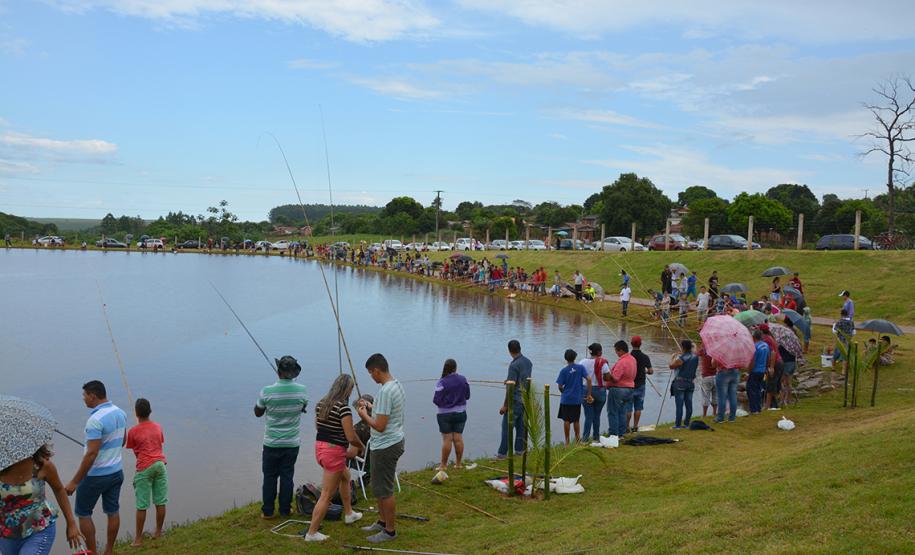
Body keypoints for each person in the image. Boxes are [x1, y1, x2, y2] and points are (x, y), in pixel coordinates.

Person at [64, 380, 127, 555]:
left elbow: (91, 454)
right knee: (113, 511)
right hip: (116, 472)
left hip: (95, 476)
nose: (83, 399)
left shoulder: (94, 420)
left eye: (84, 395)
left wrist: (74, 482)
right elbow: (122, 440)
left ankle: (92, 553)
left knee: (83, 513)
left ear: (93, 396)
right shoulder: (120, 413)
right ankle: (109, 550)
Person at [305, 375, 365, 542]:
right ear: (347, 390)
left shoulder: (321, 404)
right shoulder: (343, 409)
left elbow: (318, 427)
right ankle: (312, 533)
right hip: (334, 453)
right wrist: (361, 446)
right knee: (327, 495)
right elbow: (350, 436)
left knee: (345, 476)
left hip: (320, 449)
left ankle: (349, 513)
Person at [357, 353, 405, 544]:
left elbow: (379, 425)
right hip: (392, 441)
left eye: (371, 373)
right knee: (378, 486)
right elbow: (386, 412)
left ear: (377, 370)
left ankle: (390, 531)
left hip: (386, 445)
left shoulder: (385, 392)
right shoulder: (396, 385)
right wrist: (370, 406)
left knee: (385, 489)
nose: (371, 377)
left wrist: (363, 415)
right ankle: (382, 521)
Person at [1, 444, 83, 554]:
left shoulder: (42, 465)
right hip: (6, 535)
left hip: (39, 529)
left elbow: (59, 490)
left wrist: (71, 523)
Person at [254, 356, 308, 520]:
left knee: (269, 477)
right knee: (287, 476)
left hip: (271, 443)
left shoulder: (267, 391)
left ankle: (268, 511)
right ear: (293, 373)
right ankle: (285, 510)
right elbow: (303, 406)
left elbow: (258, 412)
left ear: (278, 371)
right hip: (292, 443)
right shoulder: (302, 390)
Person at [125, 398, 167, 547]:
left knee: (142, 504)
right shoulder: (158, 427)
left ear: (136, 413)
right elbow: (159, 443)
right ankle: (158, 533)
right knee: (160, 501)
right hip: (160, 465)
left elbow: (132, 447)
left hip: (144, 467)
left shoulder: (133, 431)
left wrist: (138, 430)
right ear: (150, 411)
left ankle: (137, 539)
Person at [497, 340, 532, 458]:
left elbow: (510, 387)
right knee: (521, 426)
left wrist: (505, 405)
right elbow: (521, 379)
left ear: (509, 351)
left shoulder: (513, 365)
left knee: (507, 427)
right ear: (520, 348)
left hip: (515, 400)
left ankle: (502, 454)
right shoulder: (528, 362)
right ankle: (519, 451)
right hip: (525, 399)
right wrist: (509, 380)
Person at [433, 359, 470, 470]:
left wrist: (446, 404)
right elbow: (467, 396)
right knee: (458, 438)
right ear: (455, 368)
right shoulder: (463, 380)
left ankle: (443, 465)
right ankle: (458, 464)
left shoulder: (441, 382)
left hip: (445, 415)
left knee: (447, 439)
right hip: (460, 413)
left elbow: (436, 400)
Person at [603, 340, 636, 438]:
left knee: (612, 412)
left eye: (616, 351)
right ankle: (621, 433)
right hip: (630, 389)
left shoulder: (622, 362)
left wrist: (608, 374)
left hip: (618, 389)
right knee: (622, 412)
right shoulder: (633, 359)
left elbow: (615, 378)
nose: (616, 353)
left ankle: (613, 434)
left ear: (621, 350)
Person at [579, 343, 609, 442]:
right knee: (597, 415)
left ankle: (585, 438)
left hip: (586, 389)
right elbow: (607, 376)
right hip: (600, 390)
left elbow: (578, 375)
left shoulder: (582, 362)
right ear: (599, 352)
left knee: (588, 416)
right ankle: (596, 437)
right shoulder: (603, 363)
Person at [555, 349, 586, 444]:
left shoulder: (563, 371)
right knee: (576, 420)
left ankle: (567, 441)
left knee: (566, 420)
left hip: (566, 399)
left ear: (566, 359)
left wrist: (563, 392)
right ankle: (577, 440)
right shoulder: (581, 368)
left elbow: (560, 386)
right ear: (575, 357)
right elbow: (588, 378)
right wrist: (588, 394)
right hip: (577, 399)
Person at [669, 340, 698, 428]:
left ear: (683, 347)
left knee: (679, 405)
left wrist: (672, 357)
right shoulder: (695, 357)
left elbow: (671, 366)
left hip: (680, 383)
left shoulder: (681, 358)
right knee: (689, 404)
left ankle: (678, 425)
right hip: (690, 383)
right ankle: (686, 423)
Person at [627, 336, 653, 433]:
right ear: (641, 344)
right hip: (641, 385)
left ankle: (627, 427)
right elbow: (651, 371)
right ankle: (635, 426)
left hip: (630, 385)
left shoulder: (629, 356)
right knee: (638, 407)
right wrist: (645, 372)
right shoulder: (645, 357)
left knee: (628, 407)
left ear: (631, 344)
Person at [758, 324, 782, 410]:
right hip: (779, 362)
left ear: (761, 331)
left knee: (770, 385)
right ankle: (776, 404)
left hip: (775, 363)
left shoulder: (766, 339)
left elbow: (773, 353)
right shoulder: (770, 337)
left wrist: (771, 367)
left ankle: (767, 406)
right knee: (774, 384)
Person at [747, 330, 770, 414]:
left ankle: (754, 410)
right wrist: (766, 368)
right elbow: (768, 357)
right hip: (762, 371)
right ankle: (758, 408)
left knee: (751, 390)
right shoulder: (765, 345)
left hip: (755, 371)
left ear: (753, 337)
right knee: (758, 389)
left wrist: (749, 371)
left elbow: (752, 361)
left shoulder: (754, 347)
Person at [714, 357, 739, 423]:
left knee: (722, 397)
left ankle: (720, 418)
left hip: (723, 372)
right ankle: (732, 417)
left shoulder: (720, 350)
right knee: (733, 396)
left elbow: (713, 364)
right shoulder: (737, 350)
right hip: (735, 372)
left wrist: (713, 360)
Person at [697, 342, 717, 418]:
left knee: (705, 396)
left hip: (706, 377)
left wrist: (702, 345)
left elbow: (695, 354)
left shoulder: (703, 350)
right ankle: (714, 413)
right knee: (715, 396)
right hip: (716, 376)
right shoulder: (716, 351)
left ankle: (704, 415)